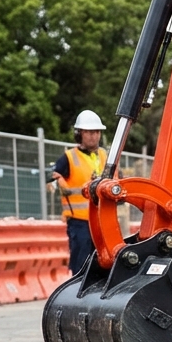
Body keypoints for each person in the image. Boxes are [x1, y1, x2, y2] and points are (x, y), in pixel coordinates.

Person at [51, 110, 109, 275]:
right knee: (81, 263)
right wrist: (58, 184)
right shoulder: (69, 157)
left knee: (103, 261)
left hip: (102, 219)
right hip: (79, 221)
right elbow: (52, 178)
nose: (94, 136)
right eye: (89, 132)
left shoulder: (105, 156)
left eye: (97, 132)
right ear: (79, 134)